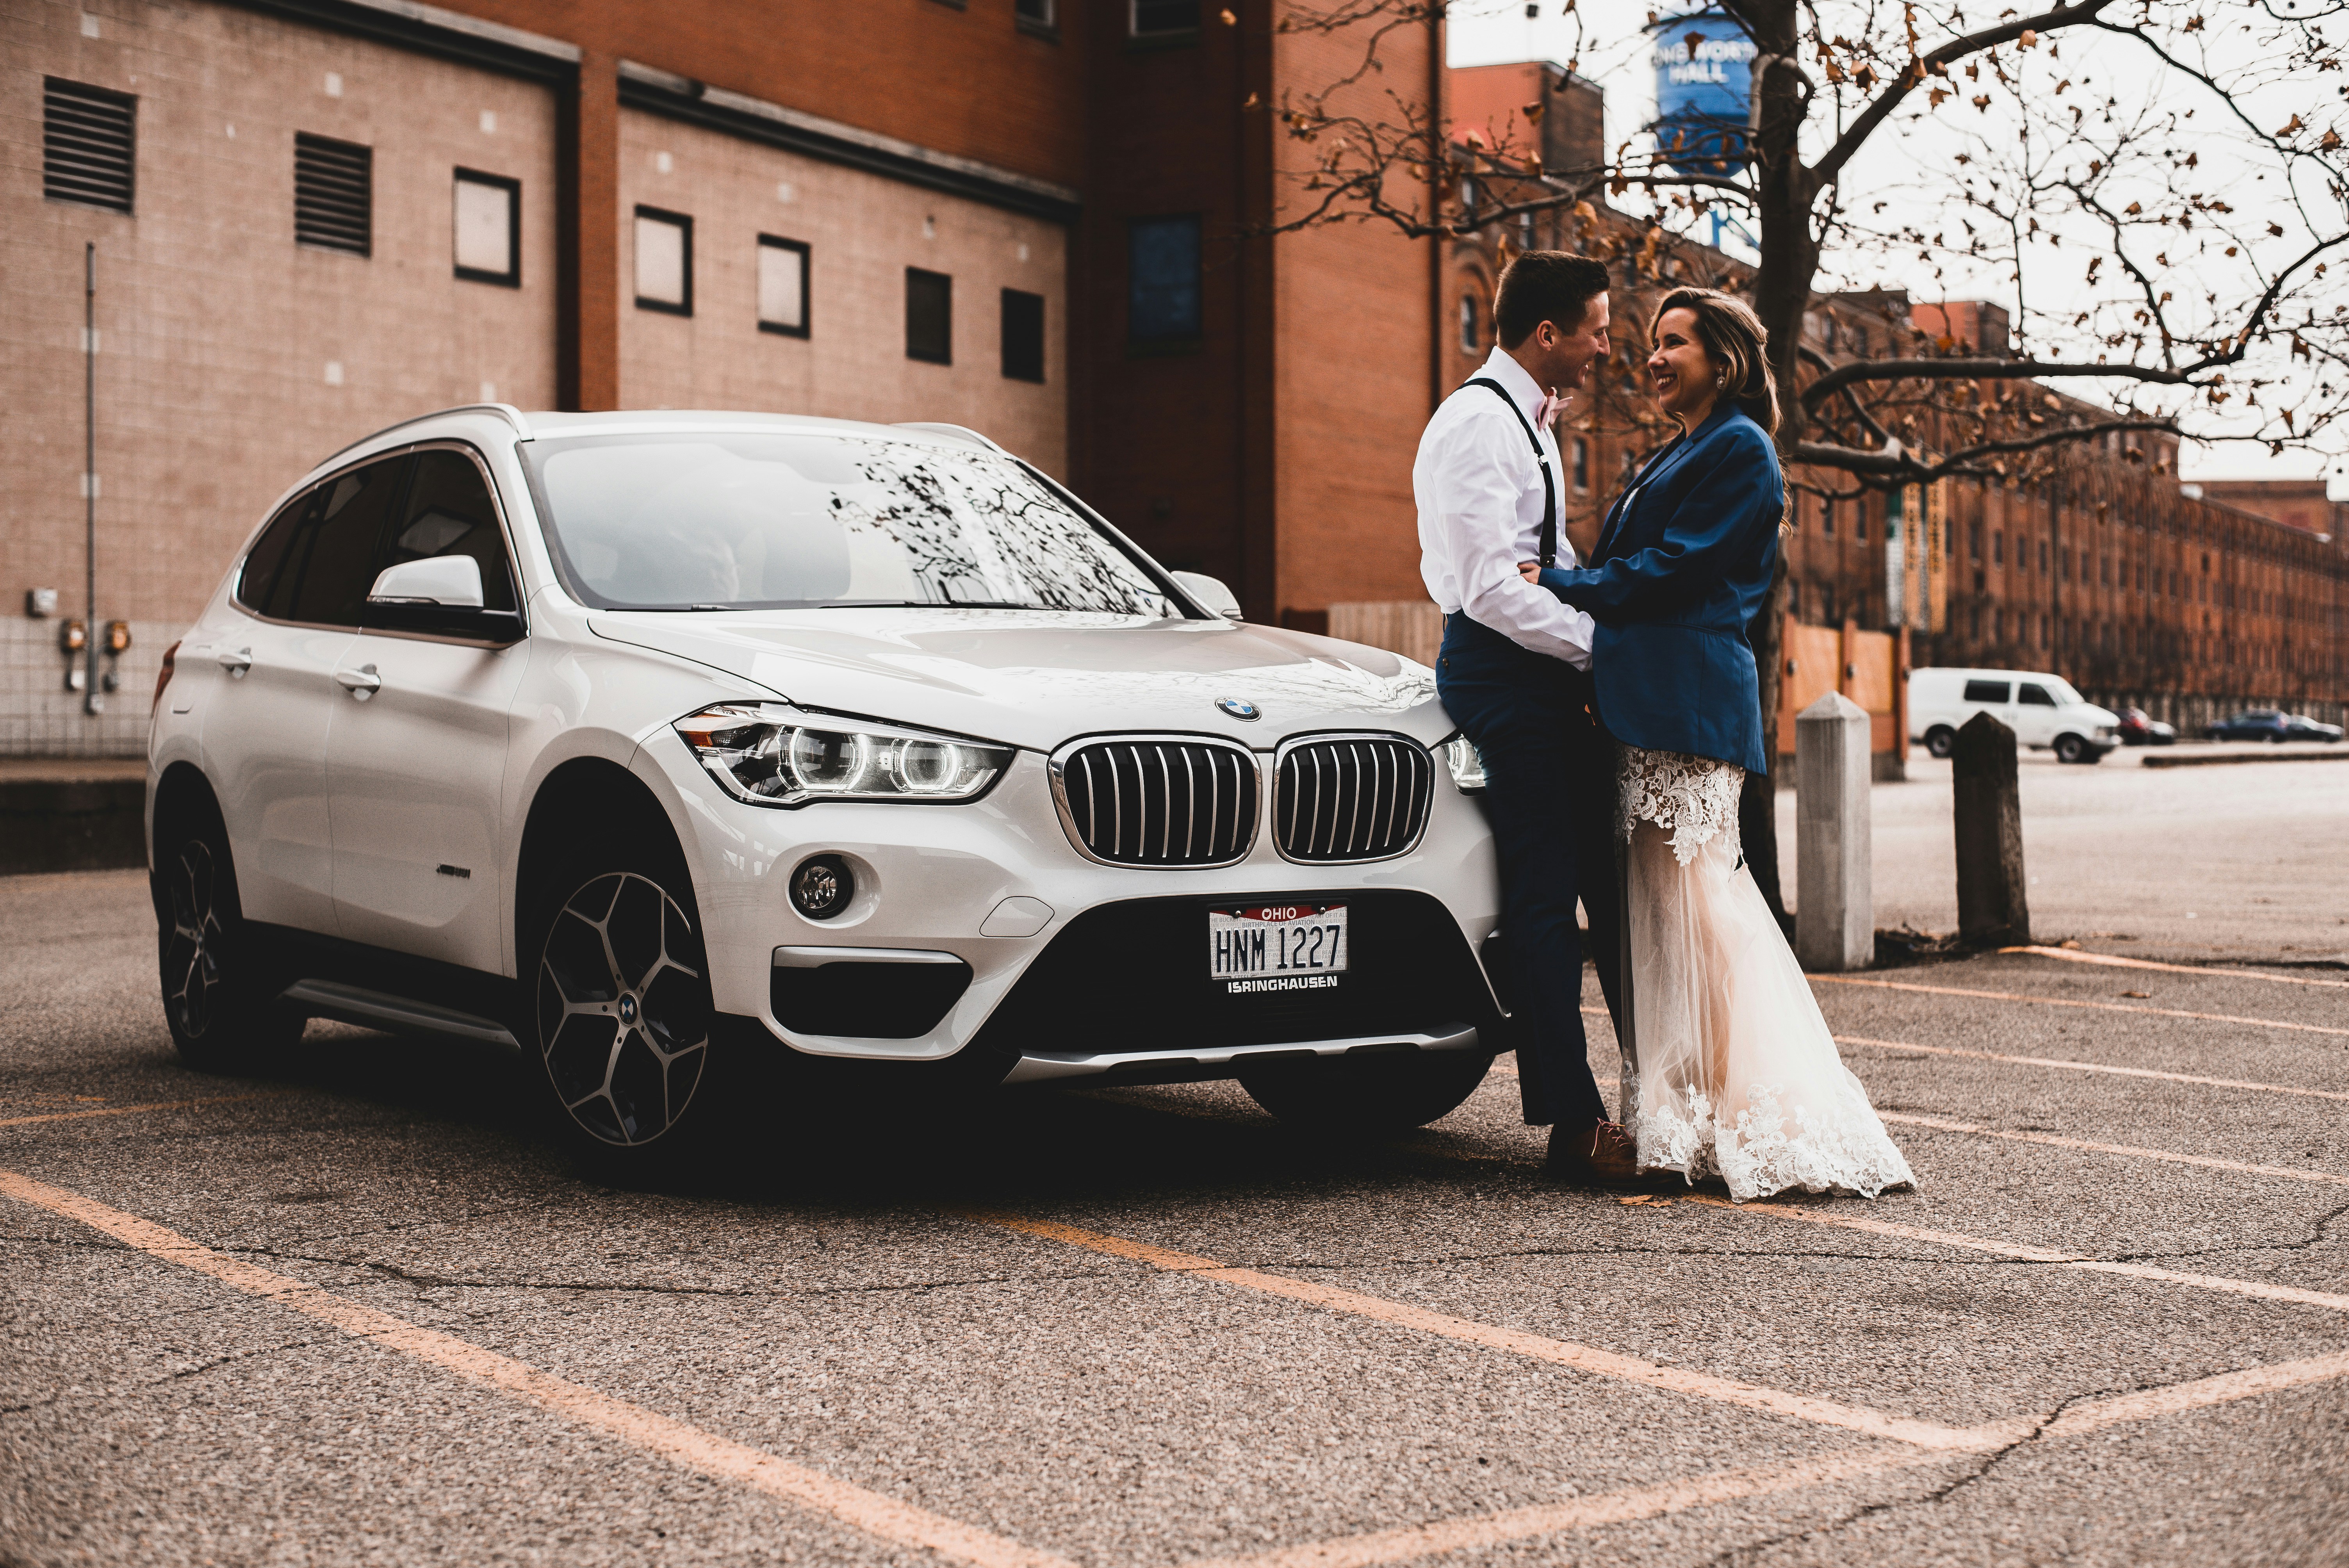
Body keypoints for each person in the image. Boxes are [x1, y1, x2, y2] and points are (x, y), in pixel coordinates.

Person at [1524, 287, 1915, 1201]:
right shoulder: (1684, 445)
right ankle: (1691, 1112)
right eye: (1651, 342)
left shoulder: (1739, 447)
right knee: (1667, 909)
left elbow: (1677, 567)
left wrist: (1566, 586)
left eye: (1674, 343)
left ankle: (1758, 1109)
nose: (1652, 357)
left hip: (1686, 703)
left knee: (1699, 907)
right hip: (1650, 703)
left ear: (1724, 357)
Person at [1414, 252, 1636, 1184]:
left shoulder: (1531, 421)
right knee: (1545, 902)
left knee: (1603, 892)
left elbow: (1546, 558)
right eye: (1594, 327)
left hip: (1542, 674)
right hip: (1504, 677)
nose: (1603, 345)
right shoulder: (1478, 425)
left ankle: (1649, 1100)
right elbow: (1490, 591)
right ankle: (1571, 1125)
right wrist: (1599, 647)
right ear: (1547, 333)